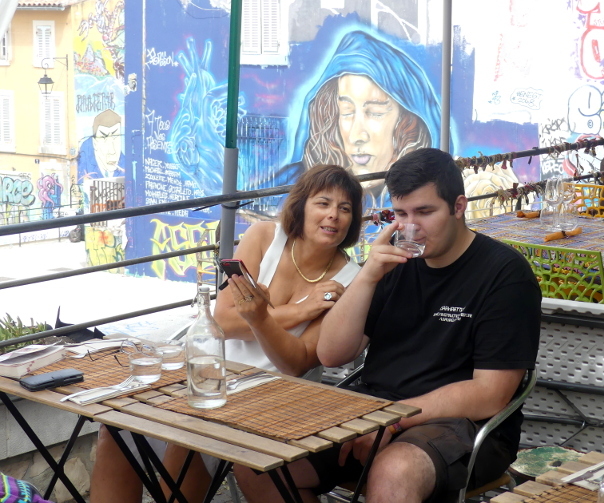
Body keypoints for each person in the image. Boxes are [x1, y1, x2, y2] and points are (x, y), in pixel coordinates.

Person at [234, 148, 542, 503]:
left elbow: (489, 394)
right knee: (259, 461)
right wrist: (367, 276)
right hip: (375, 407)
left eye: (424, 212)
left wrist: (393, 421)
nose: (411, 226)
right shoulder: (393, 262)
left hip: (464, 423)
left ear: (459, 207)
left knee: (394, 472)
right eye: (400, 214)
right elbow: (332, 354)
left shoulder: (504, 274)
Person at [89, 164, 364, 503]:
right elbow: (222, 321)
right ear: (301, 206)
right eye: (323, 203)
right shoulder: (263, 237)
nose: (333, 215)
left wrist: (258, 316)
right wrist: (300, 310)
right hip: (210, 370)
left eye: (345, 208)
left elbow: (296, 362)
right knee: (118, 425)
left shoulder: (348, 281)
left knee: (190, 431)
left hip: (275, 394)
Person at [276, 30, 442, 206]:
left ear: (408, 124)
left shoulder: (430, 197)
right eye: (346, 111)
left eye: (375, 112)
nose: (356, 136)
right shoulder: (287, 191)